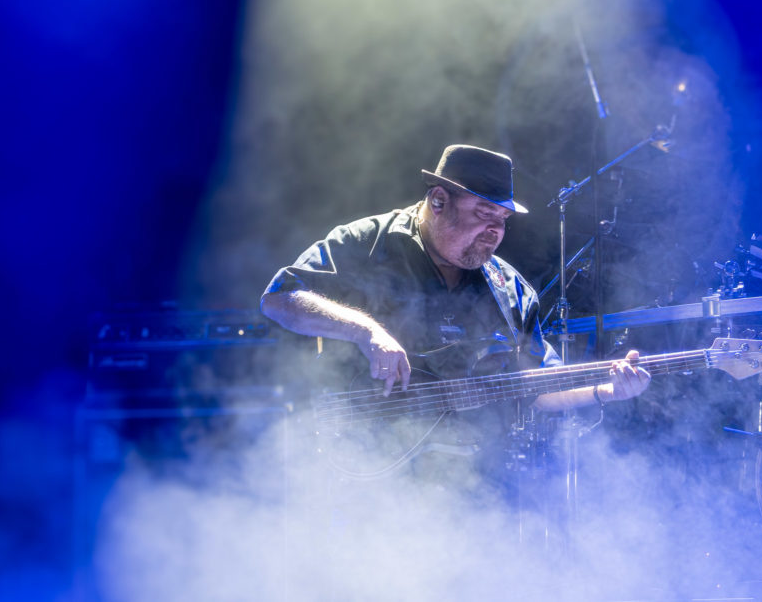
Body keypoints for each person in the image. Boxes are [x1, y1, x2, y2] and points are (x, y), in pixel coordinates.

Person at [260, 145, 650, 478]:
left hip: (466, 487)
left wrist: (606, 390)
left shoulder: (510, 289)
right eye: (484, 212)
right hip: (360, 465)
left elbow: (536, 389)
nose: (496, 230)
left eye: (503, 220)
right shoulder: (369, 243)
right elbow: (280, 297)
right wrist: (367, 331)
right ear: (438, 201)